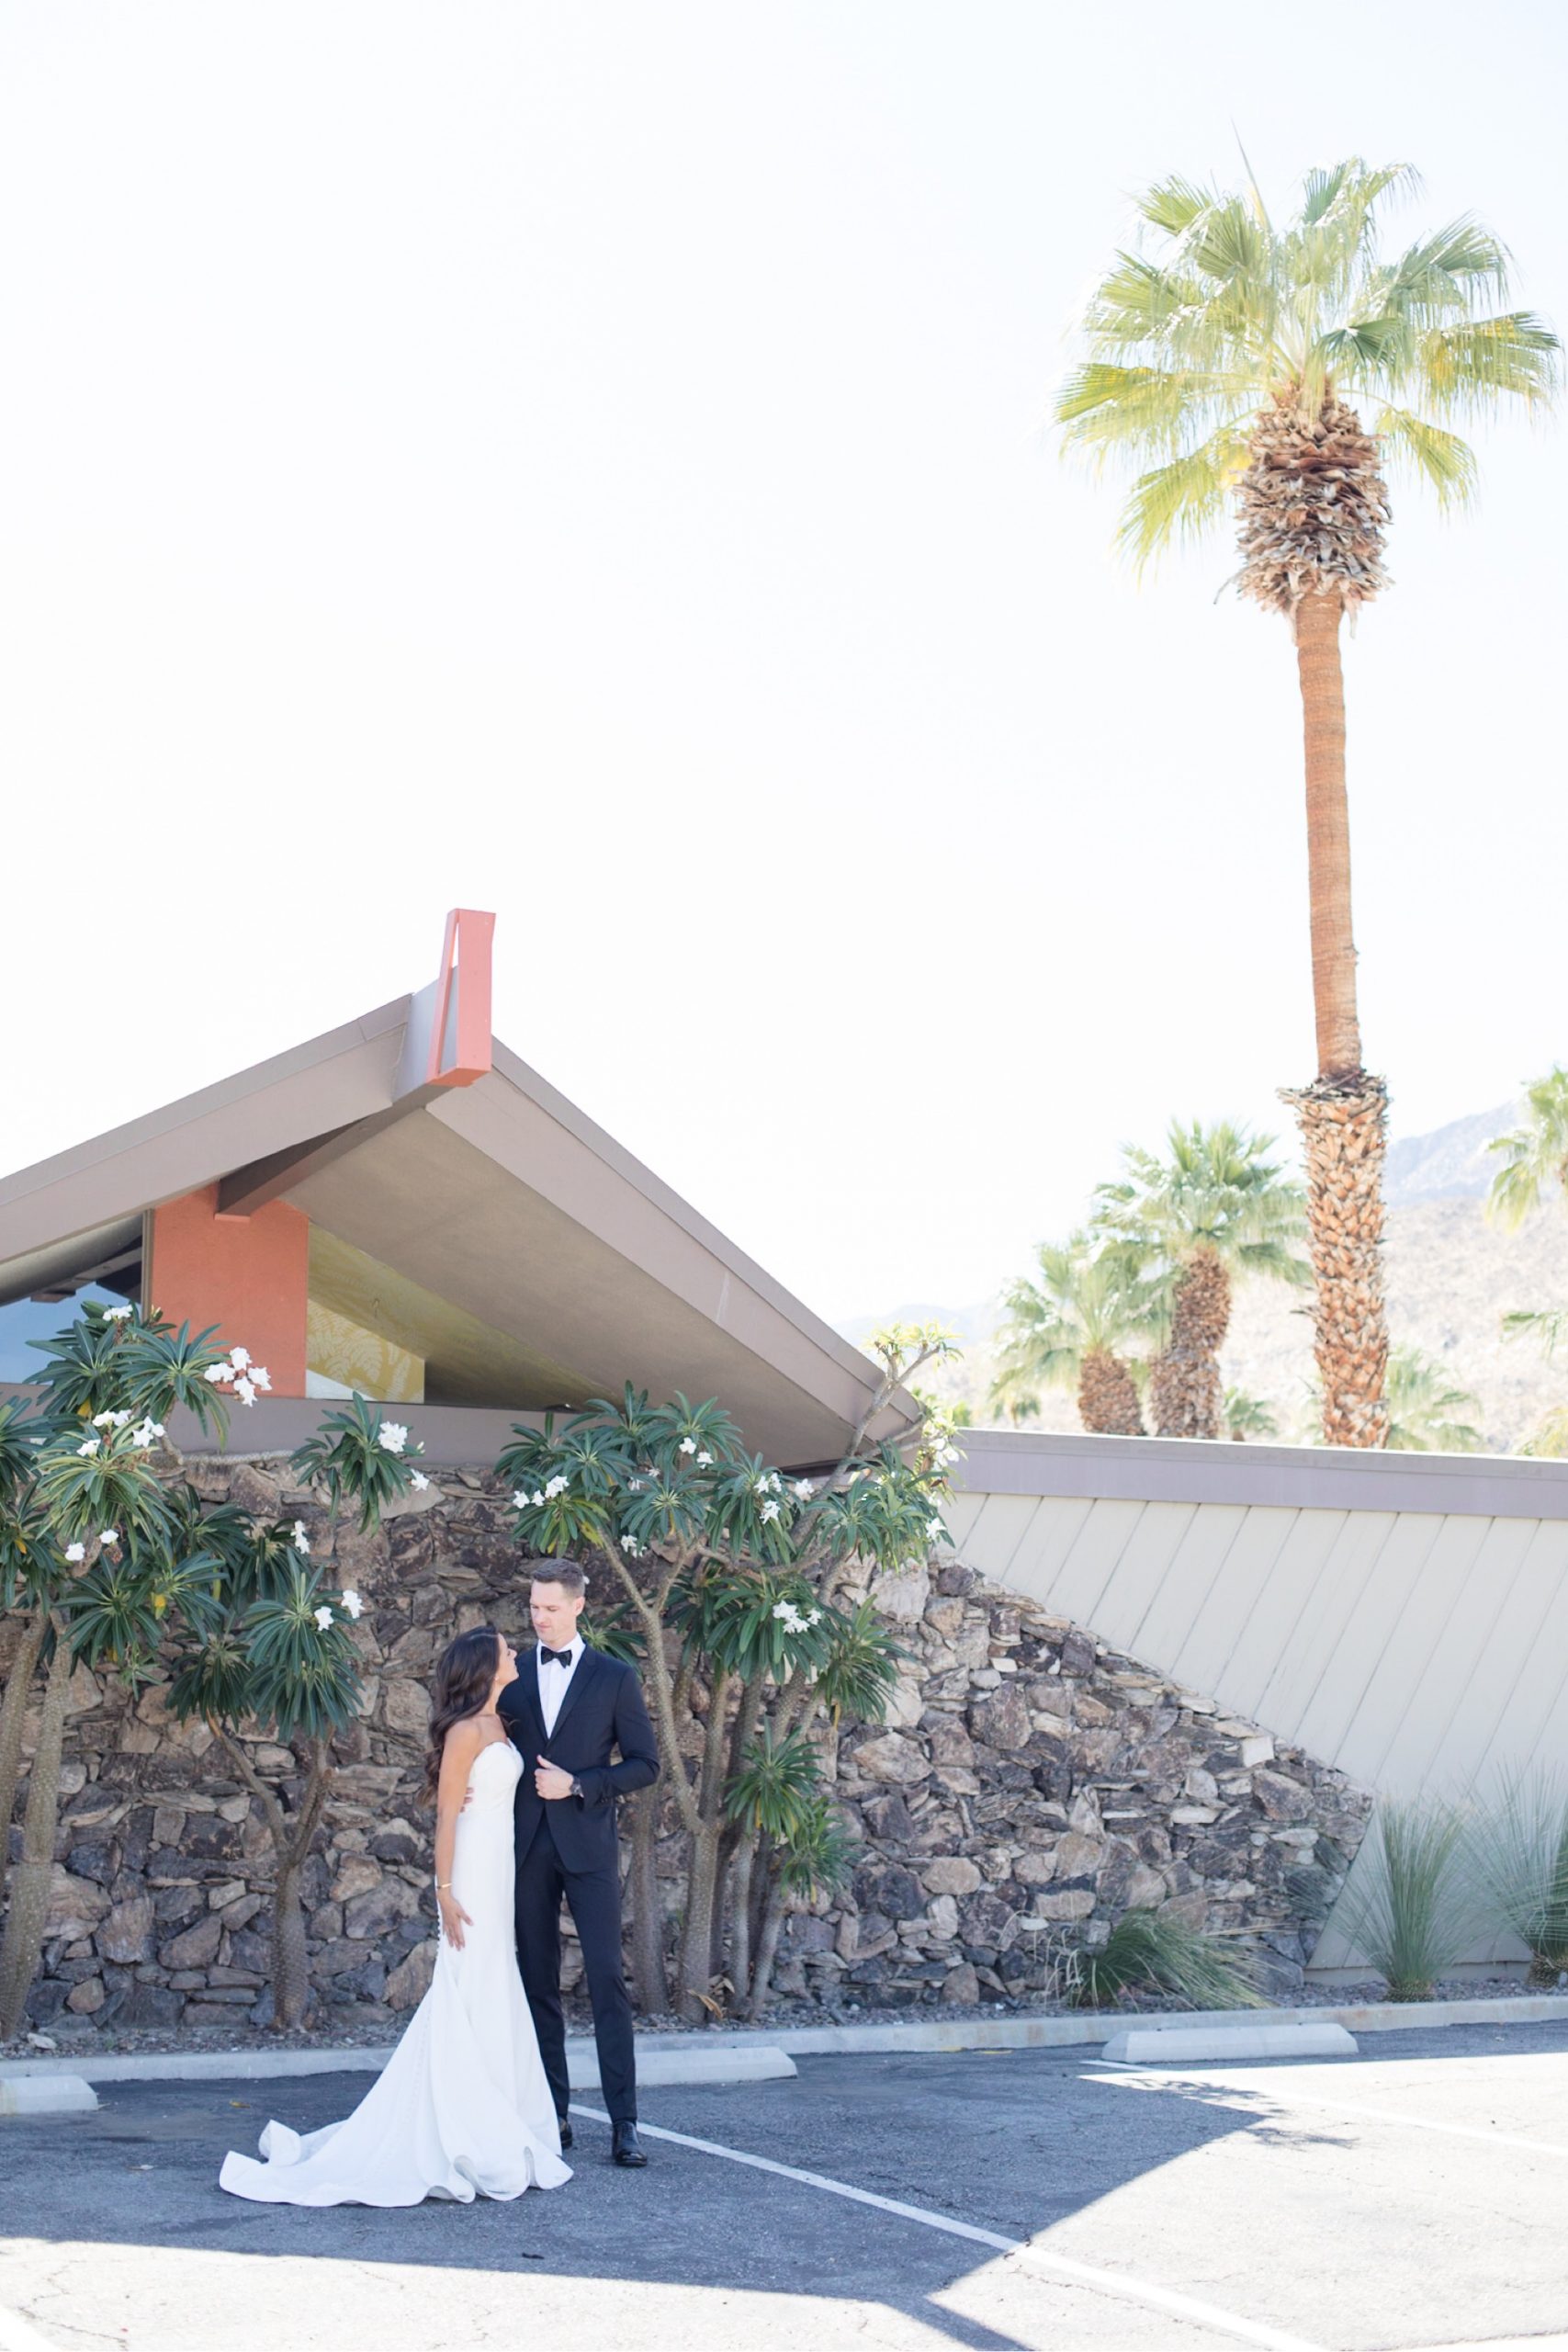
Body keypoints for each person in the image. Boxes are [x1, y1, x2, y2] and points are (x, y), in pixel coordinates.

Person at [219, 1625, 570, 2207]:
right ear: (485, 1666)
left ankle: (499, 2119)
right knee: (468, 1983)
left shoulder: (501, 1724)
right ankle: (462, 2130)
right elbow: (447, 1818)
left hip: (500, 1868)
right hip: (472, 1874)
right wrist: (447, 1891)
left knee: (494, 1983)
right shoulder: (462, 1732)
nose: (515, 1654)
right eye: (507, 1650)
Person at [498, 1559, 659, 2166]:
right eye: (533, 1607)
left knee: (605, 1980)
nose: (537, 1618)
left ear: (577, 1607)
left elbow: (645, 1764)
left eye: (549, 1608)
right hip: (525, 1847)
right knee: (537, 1982)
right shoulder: (510, 1674)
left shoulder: (614, 1677)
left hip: (588, 1849)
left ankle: (625, 2123)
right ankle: (552, 2113)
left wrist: (579, 1784)